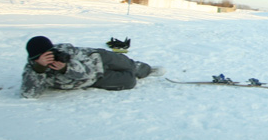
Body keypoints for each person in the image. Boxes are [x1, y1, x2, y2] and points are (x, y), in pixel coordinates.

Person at [21, 35, 163, 98]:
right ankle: (133, 73)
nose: (50, 57)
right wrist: (39, 69)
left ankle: (146, 69)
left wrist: (66, 67)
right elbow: (29, 94)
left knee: (129, 65)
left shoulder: (64, 51)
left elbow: (86, 69)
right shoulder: (32, 69)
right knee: (129, 81)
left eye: (50, 53)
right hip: (95, 78)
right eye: (44, 56)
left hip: (98, 58)